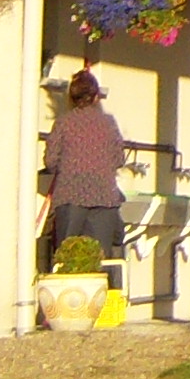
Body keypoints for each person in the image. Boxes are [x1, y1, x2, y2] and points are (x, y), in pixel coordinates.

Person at [39, 68, 129, 274]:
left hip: (70, 196)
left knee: (65, 259)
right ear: (96, 97)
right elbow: (118, 159)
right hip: (104, 197)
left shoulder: (63, 122)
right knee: (99, 261)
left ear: (71, 98)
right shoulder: (108, 123)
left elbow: (51, 161)